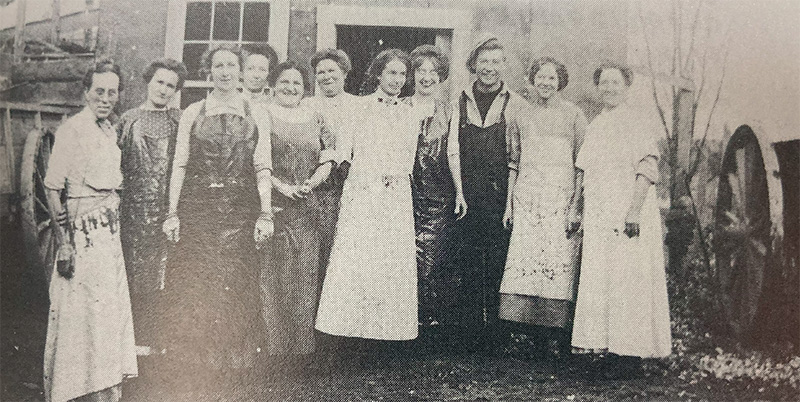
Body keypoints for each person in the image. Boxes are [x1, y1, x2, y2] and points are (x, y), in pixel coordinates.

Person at [160, 44, 273, 387]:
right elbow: (179, 164)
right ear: (209, 71)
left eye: (231, 65)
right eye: (219, 65)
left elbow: (262, 165)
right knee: (199, 282)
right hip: (199, 210)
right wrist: (172, 212)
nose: (225, 72)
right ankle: (196, 363)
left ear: (240, 71)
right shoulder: (193, 111)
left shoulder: (257, 111)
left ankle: (234, 365)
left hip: (241, 209)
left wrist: (265, 213)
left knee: (237, 284)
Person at [43, 60, 137, 402]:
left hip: (108, 235)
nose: (106, 98)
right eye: (99, 91)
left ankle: (105, 389)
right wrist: (64, 244)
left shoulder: (108, 130)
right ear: (86, 92)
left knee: (107, 312)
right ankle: (76, 392)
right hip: (82, 235)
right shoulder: (72, 130)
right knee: (82, 314)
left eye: (113, 92)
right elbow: (53, 188)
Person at [571, 61, 671, 378]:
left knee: (630, 281)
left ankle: (630, 356)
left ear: (626, 87)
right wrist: (578, 206)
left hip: (630, 213)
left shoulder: (637, 121)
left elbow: (648, 167)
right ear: (598, 88)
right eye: (604, 83)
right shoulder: (598, 123)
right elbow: (584, 171)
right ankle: (609, 350)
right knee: (605, 280)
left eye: (616, 83)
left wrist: (634, 210)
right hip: (600, 214)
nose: (610, 88)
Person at [315, 49, 419, 342]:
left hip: (395, 194)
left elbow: (407, 158)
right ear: (377, 74)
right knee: (358, 258)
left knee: (389, 260)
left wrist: (394, 176)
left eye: (402, 74)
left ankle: (385, 335)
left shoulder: (409, 112)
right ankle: (348, 334)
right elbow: (343, 152)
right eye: (391, 73)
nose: (397, 80)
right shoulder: (358, 108)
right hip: (362, 191)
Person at [498, 57, 587, 360]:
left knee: (558, 266)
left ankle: (557, 338)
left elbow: (581, 166)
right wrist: (510, 204)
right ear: (532, 80)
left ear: (560, 81)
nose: (546, 83)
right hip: (527, 198)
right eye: (540, 77)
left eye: (552, 78)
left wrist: (576, 204)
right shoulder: (520, 114)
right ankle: (533, 337)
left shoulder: (575, 116)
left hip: (559, 200)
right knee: (527, 264)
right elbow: (513, 163)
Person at [447, 34, 528, 355]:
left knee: (497, 262)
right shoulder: (459, 100)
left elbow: (518, 156)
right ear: (473, 65)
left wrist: (510, 200)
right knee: (467, 262)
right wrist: (458, 192)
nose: (489, 68)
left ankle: (495, 336)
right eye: (484, 62)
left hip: (499, 195)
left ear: (503, 66)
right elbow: (452, 149)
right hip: (465, 195)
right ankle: (468, 334)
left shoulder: (516, 103)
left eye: (495, 62)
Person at [261, 61, 335, 358]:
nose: (290, 88)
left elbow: (329, 159)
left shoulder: (316, 118)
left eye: (296, 84)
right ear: (274, 85)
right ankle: (276, 351)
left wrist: (311, 183)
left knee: (306, 277)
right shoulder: (263, 116)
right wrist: (283, 187)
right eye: (284, 82)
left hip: (309, 208)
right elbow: (258, 163)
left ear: (305, 89)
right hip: (277, 207)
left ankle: (303, 351)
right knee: (277, 278)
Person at [117, 58, 187, 357]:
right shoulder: (128, 119)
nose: (164, 89)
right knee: (130, 274)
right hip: (131, 212)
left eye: (171, 86)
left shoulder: (179, 120)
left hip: (166, 212)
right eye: (160, 82)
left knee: (163, 277)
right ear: (149, 82)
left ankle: (160, 346)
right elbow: (114, 165)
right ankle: (127, 345)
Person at [402, 45, 454, 332]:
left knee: (432, 258)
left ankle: (428, 324)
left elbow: (455, 153)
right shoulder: (401, 106)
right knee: (402, 255)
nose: (427, 76)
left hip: (437, 194)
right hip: (403, 192)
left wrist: (457, 191)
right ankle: (402, 321)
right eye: (421, 70)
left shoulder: (448, 111)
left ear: (440, 76)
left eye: (433, 71)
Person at [304, 48, 361, 288]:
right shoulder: (307, 104)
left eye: (332, 70)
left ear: (344, 73)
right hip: (314, 185)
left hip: (348, 186)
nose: (326, 76)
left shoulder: (359, 105)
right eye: (321, 72)